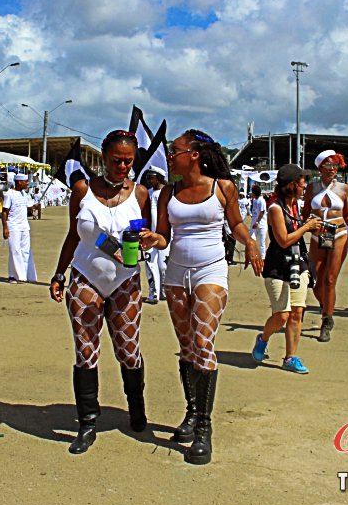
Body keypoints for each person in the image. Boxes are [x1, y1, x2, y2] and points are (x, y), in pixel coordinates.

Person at [141, 129, 264, 466]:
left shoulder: (221, 187)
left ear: (194, 154)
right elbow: (165, 235)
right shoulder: (168, 192)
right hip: (177, 273)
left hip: (211, 270)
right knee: (186, 347)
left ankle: (204, 430)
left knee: (203, 342)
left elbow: (236, 224)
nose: (170, 155)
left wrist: (250, 242)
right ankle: (192, 412)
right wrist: (154, 238)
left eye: (174, 150)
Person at [49, 130, 151, 455]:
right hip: (85, 278)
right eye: (116, 160)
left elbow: (149, 237)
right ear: (103, 158)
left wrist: (147, 242)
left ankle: (136, 408)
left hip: (125, 282)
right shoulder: (82, 189)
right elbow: (72, 235)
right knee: (85, 351)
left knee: (129, 352)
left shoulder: (141, 193)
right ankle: (87, 422)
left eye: (129, 161)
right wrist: (58, 273)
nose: (123, 166)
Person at [250, 164, 321, 374]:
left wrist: (311, 226)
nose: (305, 186)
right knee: (281, 315)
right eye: (302, 182)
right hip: (277, 266)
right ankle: (263, 339)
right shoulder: (275, 208)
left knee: (297, 312)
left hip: (298, 263)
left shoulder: (295, 207)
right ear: (292, 185)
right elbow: (283, 240)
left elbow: (296, 235)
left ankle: (290, 357)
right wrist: (306, 227)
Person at [300, 150, 348, 343]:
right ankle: (326, 305)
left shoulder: (343, 189)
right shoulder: (312, 188)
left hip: (339, 233)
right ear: (320, 168)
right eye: (328, 166)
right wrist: (305, 229)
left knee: (331, 280)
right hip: (318, 234)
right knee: (313, 279)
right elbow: (306, 213)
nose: (332, 170)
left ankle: (326, 319)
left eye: (336, 166)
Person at [3, 173, 37, 283]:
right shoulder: (9, 194)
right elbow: (4, 212)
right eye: (25, 181)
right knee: (15, 251)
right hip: (13, 226)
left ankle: (26, 274)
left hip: (24, 226)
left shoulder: (24, 194)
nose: (27, 183)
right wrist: (5, 227)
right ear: (19, 182)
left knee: (26, 251)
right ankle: (14, 275)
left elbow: (27, 207)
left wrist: (33, 207)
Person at [142, 167, 168, 305]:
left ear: (158, 177)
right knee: (150, 264)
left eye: (151, 178)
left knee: (164, 266)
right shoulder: (148, 193)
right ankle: (154, 294)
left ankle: (164, 292)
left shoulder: (167, 192)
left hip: (164, 236)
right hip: (150, 235)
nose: (150, 181)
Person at [248, 185, 267, 259]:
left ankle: (262, 258)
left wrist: (257, 222)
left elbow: (262, 212)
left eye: (252, 193)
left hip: (261, 225)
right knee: (251, 240)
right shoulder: (254, 200)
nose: (251, 194)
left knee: (261, 243)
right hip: (254, 224)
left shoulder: (261, 200)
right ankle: (252, 257)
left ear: (255, 193)